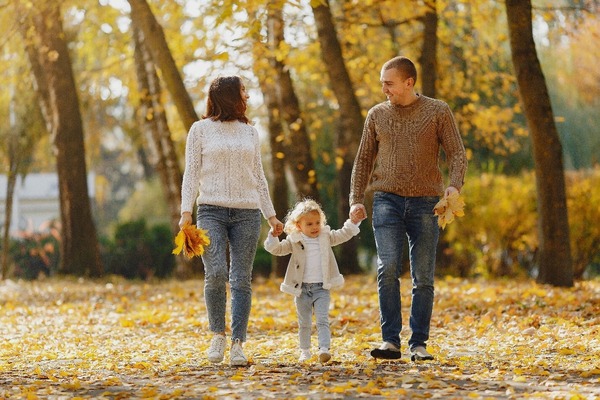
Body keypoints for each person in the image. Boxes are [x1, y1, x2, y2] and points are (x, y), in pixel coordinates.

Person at [349, 56, 467, 361]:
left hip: (427, 202)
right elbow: (363, 160)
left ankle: (418, 343)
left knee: (423, 275)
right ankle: (390, 341)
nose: (384, 89)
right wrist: (356, 199)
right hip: (386, 199)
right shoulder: (376, 115)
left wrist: (454, 185)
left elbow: (457, 153)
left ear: (408, 82)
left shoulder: (438, 111)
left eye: (389, 83)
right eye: (382, 84)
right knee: (387, 267)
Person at [179, 75, 284, 367]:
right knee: (215, 273)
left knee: (240, 279)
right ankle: (218, 334)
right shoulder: (199, 130)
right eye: (242, 91)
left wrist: (271, 215)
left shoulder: (250, 132)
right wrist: (186, 211)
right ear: (228, 96)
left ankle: (238, 343)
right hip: (210, 209)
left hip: (247, 213)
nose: (247, 96)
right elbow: (191, 173)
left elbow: (259, 177)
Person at [264, 199, 364, 363]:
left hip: (321, 289)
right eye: (309, 224)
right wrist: (273, 236)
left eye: (317, 222)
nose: (315, 227)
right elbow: (277, 249)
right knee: (304, 322)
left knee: (322, 319)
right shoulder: (294, 240)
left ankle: (324, 349)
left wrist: (353, 222)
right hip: (301, 289)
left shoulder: (326, 237)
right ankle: (305, 351)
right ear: (298, 225)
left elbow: (344, 234)